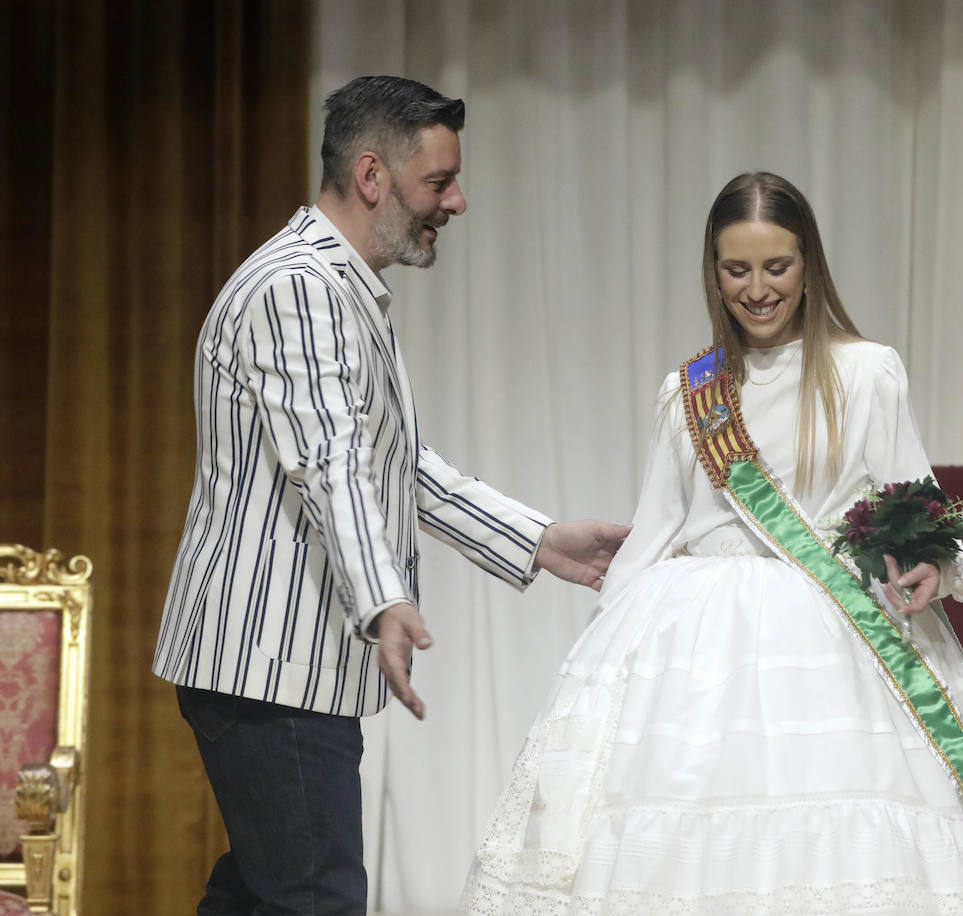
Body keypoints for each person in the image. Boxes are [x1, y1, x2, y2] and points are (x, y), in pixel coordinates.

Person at [458, 172, 963, 915]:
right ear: (713, 273)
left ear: (808, 264)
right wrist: (600, 667)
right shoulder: (688, 390)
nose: (757, 289)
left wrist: (930, 564)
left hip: (840, 641)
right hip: (693, 657)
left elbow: (920, 510)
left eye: (776, 267)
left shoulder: (865, 372)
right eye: (737, 269)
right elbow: (658, 530)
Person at [154, 75, 630, 916]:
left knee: (264, 896)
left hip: (284, 668)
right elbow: (328, 460)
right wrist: (383, 600)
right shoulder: (298, 287)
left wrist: (539, 539)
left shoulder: (337, 287)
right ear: (373, 175)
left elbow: (395, 465)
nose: (457, 201)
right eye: (439, 181)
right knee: (315, 899)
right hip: (270, 670)